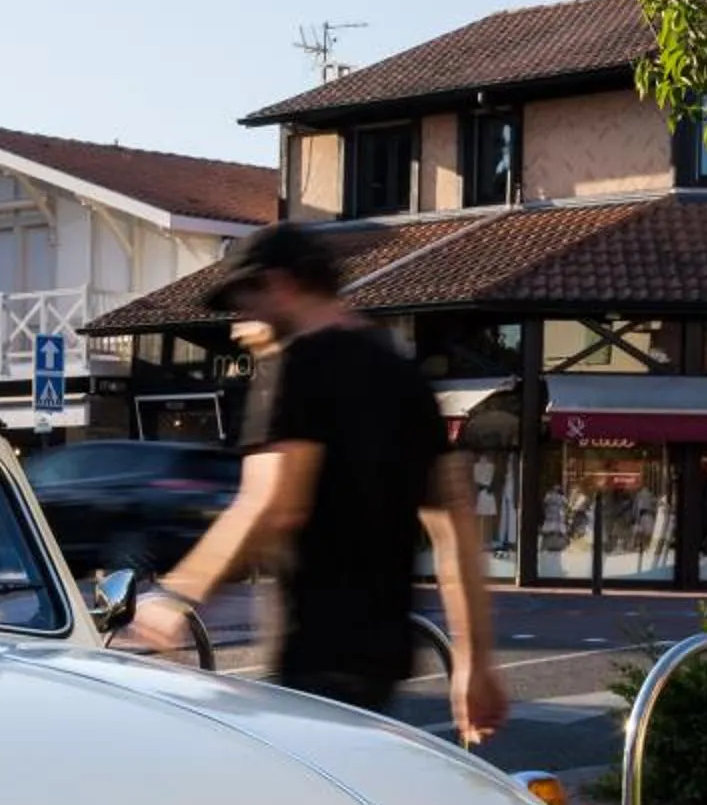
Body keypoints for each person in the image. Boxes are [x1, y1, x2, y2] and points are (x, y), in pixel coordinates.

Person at [129, 223, 508, 744]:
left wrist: (177, 595)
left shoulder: (298, 365)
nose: (242, 323)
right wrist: (473, 663)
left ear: (280, 283)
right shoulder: (404, 377)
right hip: (381, 661)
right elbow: (456, 532)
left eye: (247, 300)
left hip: (313, 654)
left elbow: (272, 504)